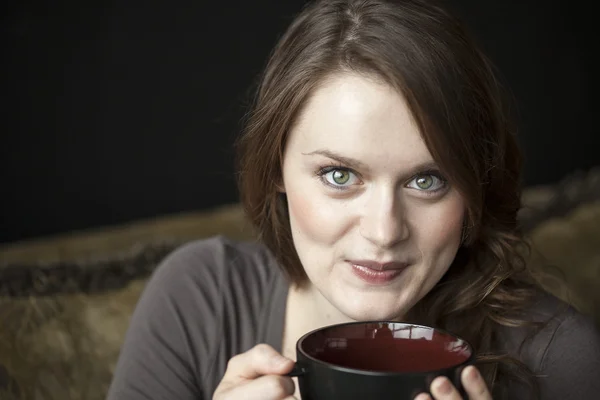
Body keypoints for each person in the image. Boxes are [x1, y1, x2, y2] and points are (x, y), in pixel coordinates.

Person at [107, 0, 600, 399]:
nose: (384, 231)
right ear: (277, 167)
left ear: (475, 188)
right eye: (339, 175)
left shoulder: (562, 362)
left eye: (427, 181)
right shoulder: (200, 300)